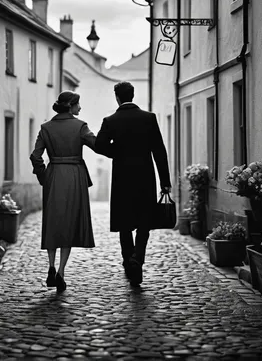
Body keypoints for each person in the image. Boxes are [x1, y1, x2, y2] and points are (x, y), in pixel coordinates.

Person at [95, 81, 171, 286]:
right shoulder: (149, 118)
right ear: (133, 95)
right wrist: (165, 181)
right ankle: (138, 258)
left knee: (125, 222)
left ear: (117, 98)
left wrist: (117, 152)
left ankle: (129, 261)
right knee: (144, 221)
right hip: (145, 176)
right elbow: (159, 151)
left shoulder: (110, 120)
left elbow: (99, 146)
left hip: (122, 177)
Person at [30, 91, 99, 293]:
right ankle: (60, 272)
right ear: (71, 105)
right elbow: (97, 145)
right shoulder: (80, 126)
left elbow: (35, 156)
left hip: (53, 176)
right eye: (78, 104)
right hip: (74, 176)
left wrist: (43, 176)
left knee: (53, 222)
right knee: (69, 224)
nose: (80, 108)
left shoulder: (46, 128)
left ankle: (50, 266)